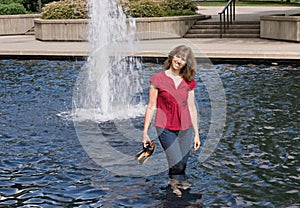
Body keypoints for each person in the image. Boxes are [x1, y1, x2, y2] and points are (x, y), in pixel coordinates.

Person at [142, 45, 201, 197]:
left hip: (185, 128)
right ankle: (174, 186)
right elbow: (151, 107)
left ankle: (173, 184)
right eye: (178, 56)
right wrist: (145, 133)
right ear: (172, 56)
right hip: (165, 127)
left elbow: (192, 107)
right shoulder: (158, 79)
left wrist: (196, 133)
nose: (179, 61)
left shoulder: (189, 81)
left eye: (183, 59)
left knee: (181, 165)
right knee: (177, 162)